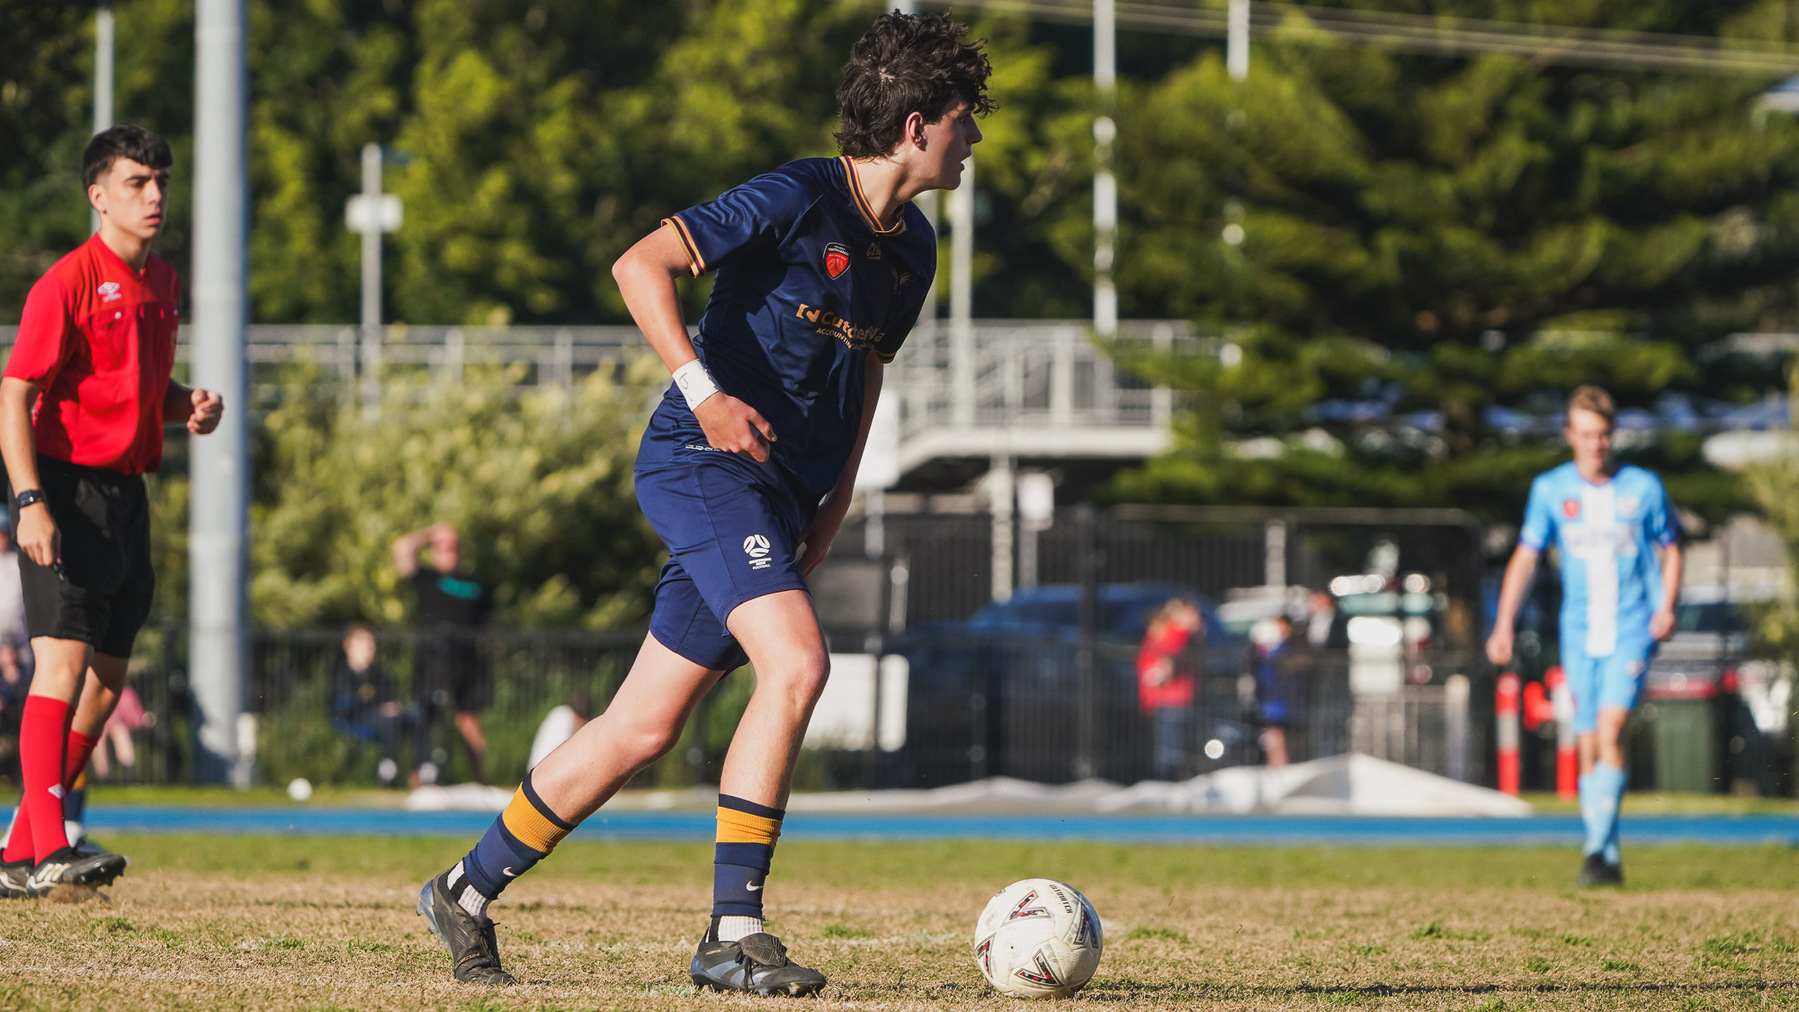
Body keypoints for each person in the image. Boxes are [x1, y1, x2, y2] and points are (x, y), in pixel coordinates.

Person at [412, 11, 990, 992]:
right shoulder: (798, 193)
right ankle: (731, 929)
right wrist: (706, 395)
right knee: (798, 662)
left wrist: (834, 503)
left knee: (641, 726)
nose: (975, 139)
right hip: (700, 463)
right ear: (916, 124)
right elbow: (638, 264)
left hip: (780, 497)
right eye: (966, 120)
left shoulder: (913, 249)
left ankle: (462, 891)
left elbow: (865, 381)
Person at [0, 125, 223, 898]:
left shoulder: (162, 282)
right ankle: (51, 845)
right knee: (59, 665)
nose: (155, 194)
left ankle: (22, 848)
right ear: (99, 196)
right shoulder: (64, 282)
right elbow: (16, 393)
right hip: (63, 490)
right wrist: (29, 501)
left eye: (160, 179)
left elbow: (137, 392)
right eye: (137, 182)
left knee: (104, 682)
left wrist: (183, 403)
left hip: (128, 496)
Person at [1486, 385, 1681, 887]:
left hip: (1631, 628)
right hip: (1578, 632)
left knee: (1611, 732)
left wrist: (1666, 605)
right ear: (1571, 435)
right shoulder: (1551, 490)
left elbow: (1671, 547)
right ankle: (1606, 854)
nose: (1596, 444)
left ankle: (1596, 850)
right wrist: (1504, 621)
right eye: (1586, 434)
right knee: (1589, 741)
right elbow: (1527, 557)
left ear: (1613, 436)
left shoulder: (1643, 488)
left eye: (1604, 435)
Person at [392, 523, 493, 784]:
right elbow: (400, 548)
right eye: (443, 545)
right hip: (432, 660)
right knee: (426, 718)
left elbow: (488, 625)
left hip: (467, 662)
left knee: (470, 720)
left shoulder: (476, 584)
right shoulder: (425, 578)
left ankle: (480, 780)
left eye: (453, 545)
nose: (449, 550)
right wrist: (430, 532)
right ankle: (420, 775)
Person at [329, 624, 427, 788]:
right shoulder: (341, 673)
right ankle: (388, 770)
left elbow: (390, 698)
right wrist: (379, 708)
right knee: (389, 719)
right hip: (357, 719)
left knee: (416, 714)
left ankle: (424, 769)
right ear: (349, 646)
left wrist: (391, 707)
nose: (370, 649)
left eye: (371, 645)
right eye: (364, 644)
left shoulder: (378, 674)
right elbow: (346, 706)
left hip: (385, 719)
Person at [1137, 598, 1202, 780]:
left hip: (1172, 698)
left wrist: (1159, 674)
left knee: (1171, 747)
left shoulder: (1178, 634)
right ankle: (1167, 777)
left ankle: (1168, 779)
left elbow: (1169, 661)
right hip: (1165, 698)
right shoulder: (1170, 634)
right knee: (1169, 746)